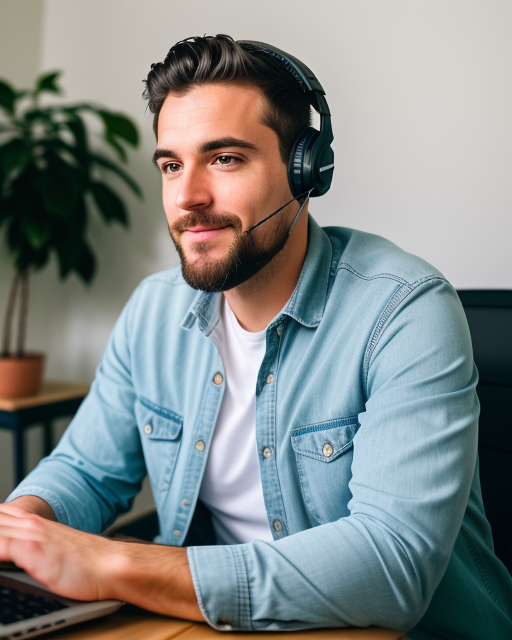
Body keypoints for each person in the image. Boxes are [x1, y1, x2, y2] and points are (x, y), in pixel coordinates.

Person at [1, 35, 511, 639]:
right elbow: (88, 471)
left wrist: (116, 563)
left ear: (306, 170)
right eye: (171, 165)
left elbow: (391, 563)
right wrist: (23, 528)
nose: (187, 197)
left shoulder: (405, 309)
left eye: (224, 159)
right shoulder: (152, 313)